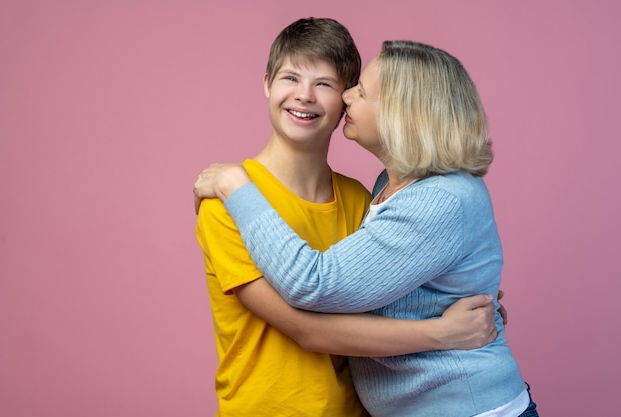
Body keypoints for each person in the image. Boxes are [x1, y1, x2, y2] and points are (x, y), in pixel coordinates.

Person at [193, 40, 538, 416]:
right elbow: (389, 293)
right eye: (291, 77)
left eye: (361, 91)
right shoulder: (384, 190)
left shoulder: (436, 199)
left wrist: (233, 184)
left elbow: (314, 285)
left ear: (403, 114)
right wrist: (443, 322)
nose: (347, 96)